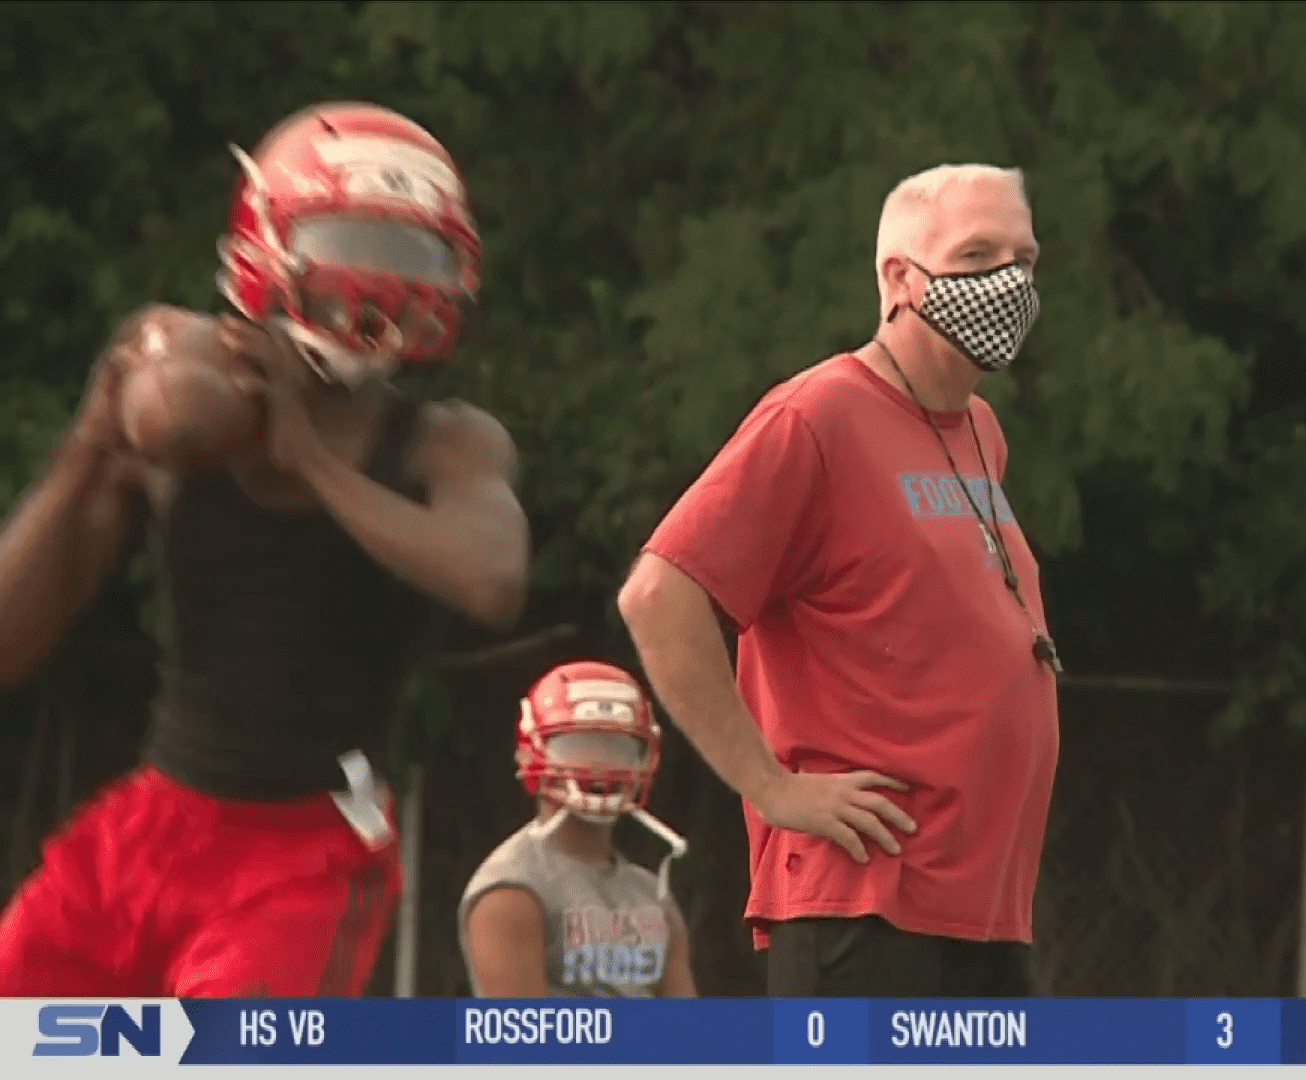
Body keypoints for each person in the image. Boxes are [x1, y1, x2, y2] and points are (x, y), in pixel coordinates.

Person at [0, 102, 529, 997]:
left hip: (310, 846)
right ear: (268, 250)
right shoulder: (194, 417)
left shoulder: (445, 441)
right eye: (354, 243)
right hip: (155, 818)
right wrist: (91, 444)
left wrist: (312, 457)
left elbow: (492, 580)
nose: (379, 284)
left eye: (410, 256)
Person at [618, 163, 1059, 997]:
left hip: (984, 907)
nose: (1009, 282)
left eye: (1025, 259)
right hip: (865, 904)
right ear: (900, 277)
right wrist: (771, 786)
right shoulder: (816, 415)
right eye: (977, 255)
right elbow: (658, 593)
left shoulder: (980, 432)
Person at [459, 660, 698, 998]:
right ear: (531, 754)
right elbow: (522, 1043)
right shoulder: (512, 889)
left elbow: (692, 1039)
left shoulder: (651, 893)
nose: (600, 765)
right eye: (577, 746)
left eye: (618, 748)